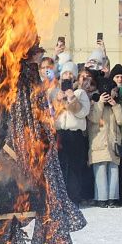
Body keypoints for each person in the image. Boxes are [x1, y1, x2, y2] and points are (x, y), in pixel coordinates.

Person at [48, 62, 90, 205]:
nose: (67, 76)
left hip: (75, 134)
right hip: (60, 134)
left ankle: (74, 197)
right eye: (65, 73)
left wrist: (71, 98)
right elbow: (50, 114)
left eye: (70, 74)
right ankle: (60, 198)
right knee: (60, 166)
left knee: (75, 167)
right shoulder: (55, 93)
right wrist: (58, 101)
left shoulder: (80, 93)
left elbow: (83, 113)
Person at [86, 76, 122, 207]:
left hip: (113, 143)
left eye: (114, 91)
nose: (113, 93)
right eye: (112, 91)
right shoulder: (95, 102)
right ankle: (101, 198)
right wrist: (100, 102)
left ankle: (113, 198)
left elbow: (121, 121)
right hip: (99, 143)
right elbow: (94, 118)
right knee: (100, 169)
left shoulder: (116, 104)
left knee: (114, 170)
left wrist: (115, 105)